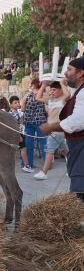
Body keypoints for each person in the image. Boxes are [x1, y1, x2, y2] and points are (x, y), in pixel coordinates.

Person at [40, 57, 84, 201]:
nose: (65, 74)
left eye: (69, 70)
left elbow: (78, 121)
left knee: (81, 189)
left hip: (81, 146)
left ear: (80, 73)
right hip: (77, 145)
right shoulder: (79, 91)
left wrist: (50, 127)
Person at [33, 81, 71, 180]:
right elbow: (37, 97)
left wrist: (62, 83)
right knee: (67, 152)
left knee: (49, 150)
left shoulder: (63, 99)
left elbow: (68, 94)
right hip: (53, 130)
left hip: (58, 130)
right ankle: (73, 169)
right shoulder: (50, 100)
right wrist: (44, 85)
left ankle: (44, 172)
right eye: (51, 90)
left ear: (60, 90)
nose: (52, 92)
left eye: (54, 90)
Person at [21, 79, 47, 171]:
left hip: (28, 121)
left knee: (29, 143)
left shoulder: (27, 95)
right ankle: (46, 164)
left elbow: (23, 109)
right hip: (40, 121)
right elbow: (46, 109)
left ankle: (29, 164)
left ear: (32, 85)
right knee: (43, 142)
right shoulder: (43, 95)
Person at [9, 95, 31, 172]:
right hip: (17, 133)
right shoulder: (11, 113)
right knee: (21, 149)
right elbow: (14, 125)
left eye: (18, 102)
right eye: (15, 103)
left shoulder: (18, 112)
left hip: (21, 132)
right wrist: (19, 135)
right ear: (11, 104)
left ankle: (26, 165)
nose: (17, 104)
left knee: (21, 149)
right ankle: (26, 165)